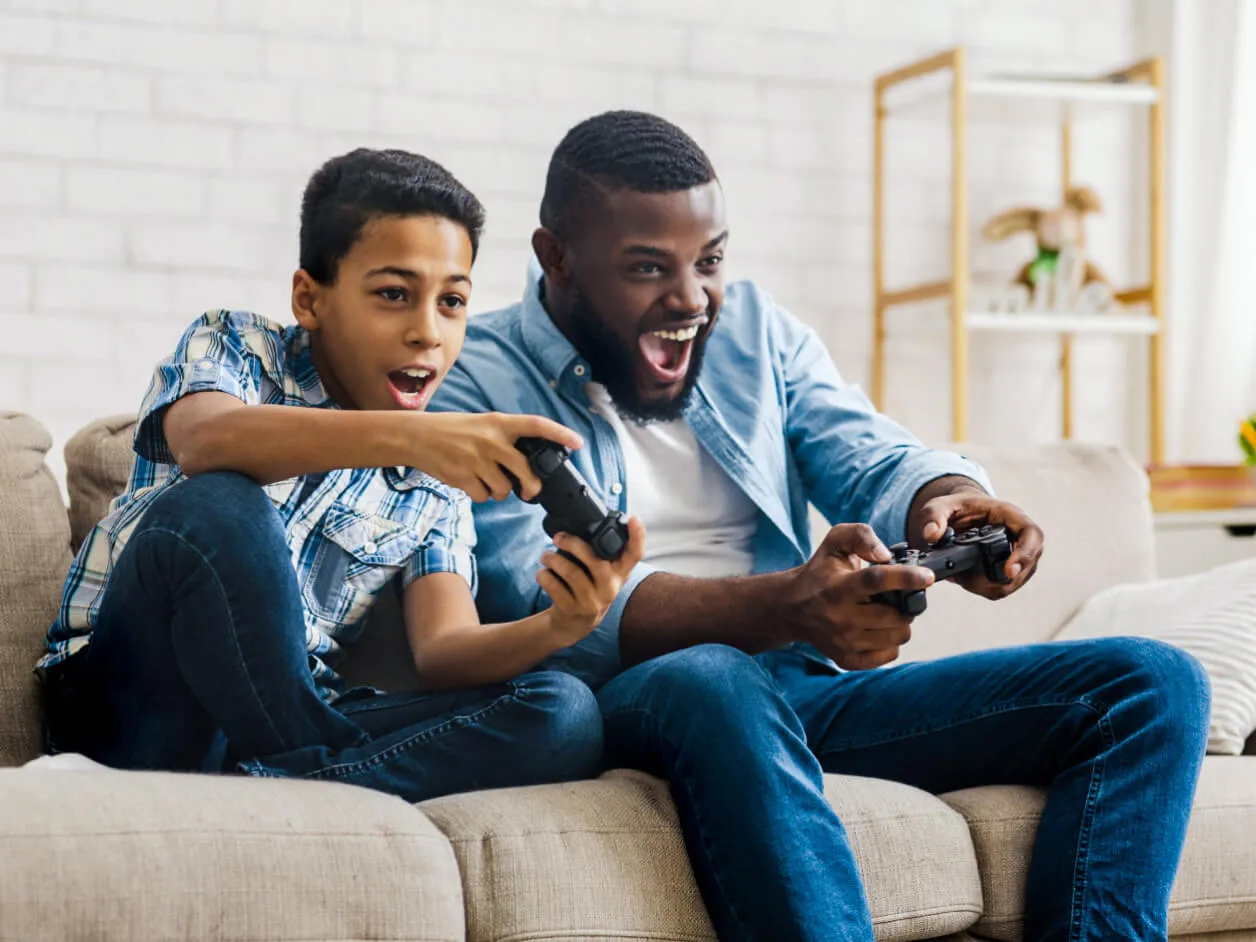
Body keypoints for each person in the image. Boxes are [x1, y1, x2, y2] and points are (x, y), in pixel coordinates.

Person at [429, 111, 1212, 941]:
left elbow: (864, 451)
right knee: (712, 675)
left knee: (1152, 683)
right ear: (557, 257)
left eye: (711, 261)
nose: (692, 299)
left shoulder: (755, 332)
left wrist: (947, 498)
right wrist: (785, 606)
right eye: (648, 268)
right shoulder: (470, 379)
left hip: (797, 689)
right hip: (629, 696)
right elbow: (532, 607)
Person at [36, 147, 644, 803]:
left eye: (452, 302)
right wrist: (418, 437)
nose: (427, 333)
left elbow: (445, 649)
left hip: (281, 720)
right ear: (309, 299)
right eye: (393, 294)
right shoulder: (237, 345)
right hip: (135, 699)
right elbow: (205, 442)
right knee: (217, 505)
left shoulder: (435, 482)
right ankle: (318, 783)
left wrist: (565, 624)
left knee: (563, 713)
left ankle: (269, 790)